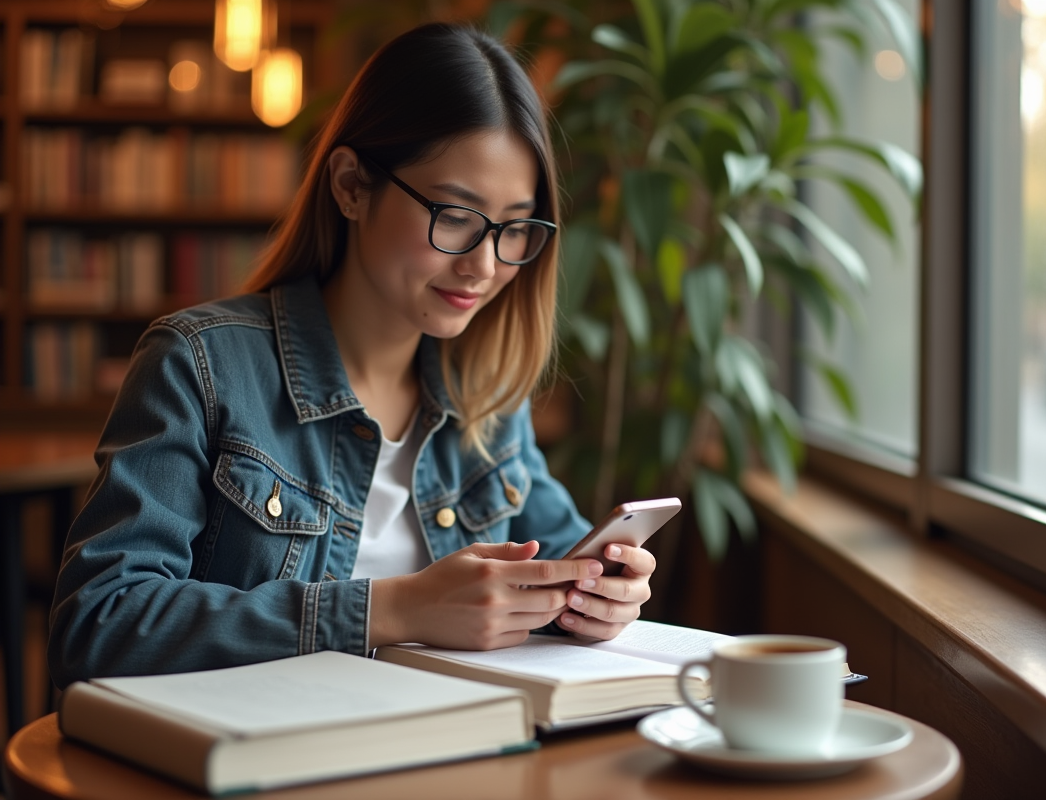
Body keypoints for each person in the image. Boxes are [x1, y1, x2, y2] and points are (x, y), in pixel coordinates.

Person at [48, 23, 656, 687]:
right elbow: (97, 624)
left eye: (514, 227)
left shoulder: (486, 391)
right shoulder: (200, 367)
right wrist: (388, 608)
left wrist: (603, 595)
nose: (484, 265)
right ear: (351, 186)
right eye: (454, 216)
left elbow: (565, 559)